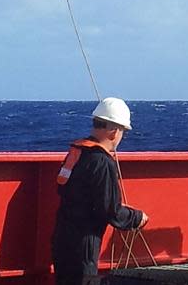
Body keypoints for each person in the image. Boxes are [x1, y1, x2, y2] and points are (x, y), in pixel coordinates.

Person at [51, 97, 149, 285]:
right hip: (84, 246)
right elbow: (109, 210)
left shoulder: (76, 153)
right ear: (114, 131)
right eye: (123, 132)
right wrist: (136, 218)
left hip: (62, 240)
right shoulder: (102, 162)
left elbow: (66, 189)